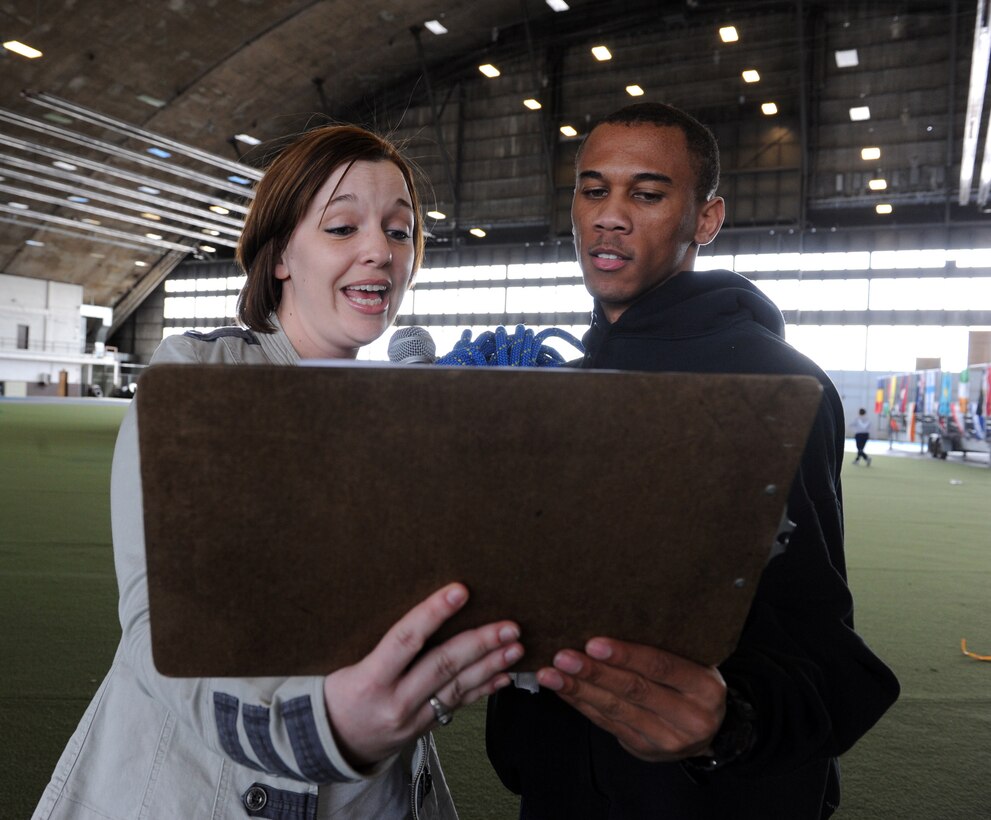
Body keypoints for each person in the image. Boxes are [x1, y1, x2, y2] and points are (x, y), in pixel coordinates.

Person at [34, 125, 524, 820]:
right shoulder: (201, 375)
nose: (379, 251)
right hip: (190, 793)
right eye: (342, 226)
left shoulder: (414, 419)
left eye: (400, 231)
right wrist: (320, 731)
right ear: (282, 253)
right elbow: (160, 627)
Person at [486, 102, 900, 819]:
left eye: (645, 194)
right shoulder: (561, 385)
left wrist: (729, 724)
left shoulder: (773, 384)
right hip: (561, 789)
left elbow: (817, 633)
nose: (609, 216)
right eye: (592, 190)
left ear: (704, 221)